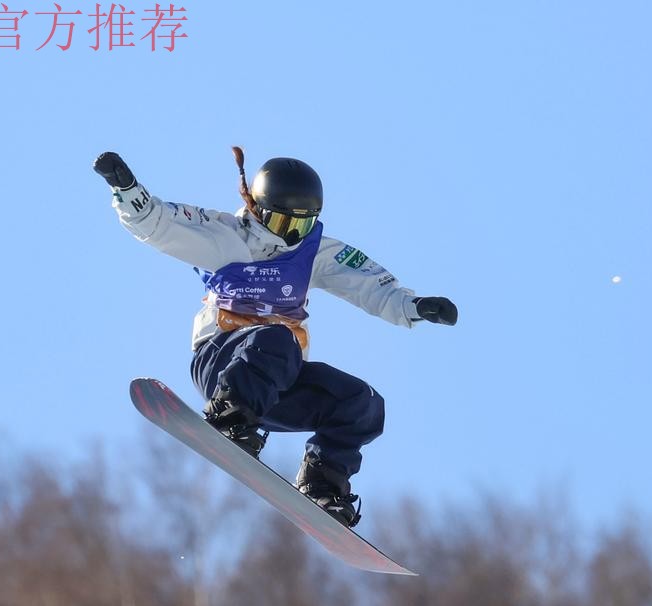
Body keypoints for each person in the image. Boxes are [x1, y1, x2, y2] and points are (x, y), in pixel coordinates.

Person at [94, 147, 458, 527]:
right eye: (283, 224)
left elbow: (366, 283)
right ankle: (230, 415)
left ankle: (323, 483)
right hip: (223, 362)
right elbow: (160, 223)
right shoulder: (225, 237)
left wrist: (413, 306)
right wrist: (126, 189)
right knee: (276, 339)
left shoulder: (313, 251)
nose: (290, 237)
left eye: (300, 226)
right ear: (257, 209)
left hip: (278, 382)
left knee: (362, 403)